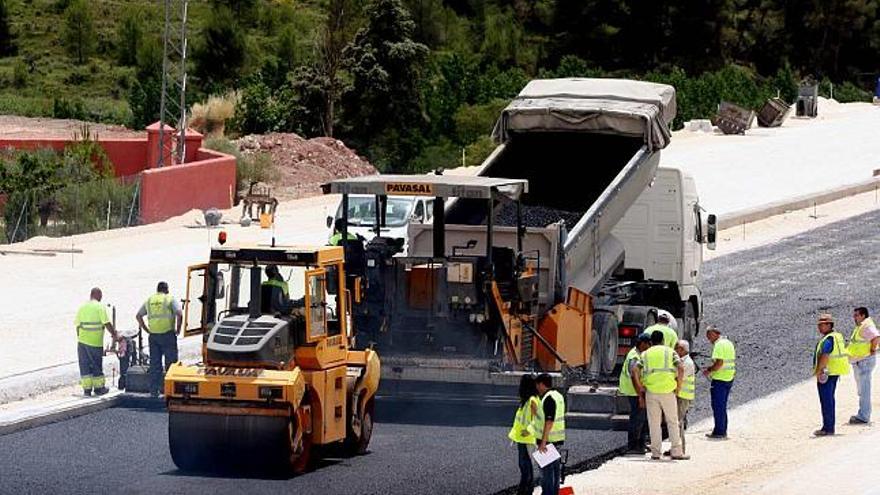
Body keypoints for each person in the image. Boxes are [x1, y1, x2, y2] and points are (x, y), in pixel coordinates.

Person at [638, 330, 688, 460]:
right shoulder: (670, 352)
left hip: (651, 392)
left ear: (651, 341)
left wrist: (641, 387)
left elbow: (635, 370)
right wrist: (678, 386)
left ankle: (655, 453)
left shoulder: (645, 354)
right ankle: (676, 451)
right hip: (667, 392)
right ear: (663, 340)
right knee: (672, 422)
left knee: (654, 423)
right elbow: (681, 368)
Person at [136, 281, 183, 398]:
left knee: (155, 364)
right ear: (166, 289)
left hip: (154, 336)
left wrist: (146, 329)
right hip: (168, 335)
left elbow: (138, 315)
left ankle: (154, 391)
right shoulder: (169, 299)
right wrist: (178, 329)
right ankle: (169, 391)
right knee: (171, 364)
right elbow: (179, 314)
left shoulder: (149, 300)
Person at [75, 288, 119, 397]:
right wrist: (115, 335)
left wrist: (80, 338)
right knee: (96, 365)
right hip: (95, 342)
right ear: (98, 295)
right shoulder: (100, 307)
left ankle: (87, 390)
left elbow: (77, 326)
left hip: (82, 342)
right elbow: (107, 323)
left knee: (84, 366)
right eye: (101, 296)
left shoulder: (82, 307)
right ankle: (99, 388)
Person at [814, 313, 851, 436]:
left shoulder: (828, 339)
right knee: (829, 400)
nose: (819, 327)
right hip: (834, 372)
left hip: (826, 373)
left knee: (826, 401)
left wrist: (819, 370)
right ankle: (829, 426)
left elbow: (825, 355)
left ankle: (828, 428)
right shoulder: (837, 336)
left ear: (829, 325)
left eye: (822, 325)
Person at [531, 373, 565, 495]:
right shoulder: (558, 396)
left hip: (548, 442)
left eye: (537, 385)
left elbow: (549, 421)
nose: (537, 388)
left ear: (541, 384)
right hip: (557, 439)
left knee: (547, 472)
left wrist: (543, 442)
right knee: (555, 471)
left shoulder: (548, 399)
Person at [846, 307, 879, 425]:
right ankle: (864, 413)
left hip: (865, 360)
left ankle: (863, 416)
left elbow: (876, 337)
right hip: (860, 361)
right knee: (862, 389)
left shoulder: (866, 326)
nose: (854, 317)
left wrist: (872, 349)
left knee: (864, 390)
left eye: (856, 315)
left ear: (863, 315)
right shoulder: (861, 326)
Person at [508, 375, 540, 495]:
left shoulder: (532, 400)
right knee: (523, 465)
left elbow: (538, 419)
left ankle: (525, 490)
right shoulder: (526, 401)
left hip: (528, 439)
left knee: (526, 466)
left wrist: (529, 430)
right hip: (521, 438)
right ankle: (525, 489)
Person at [620, 332, 651, 454]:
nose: (650, 346)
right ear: (642, 343)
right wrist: (640, 396)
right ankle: (633, 446)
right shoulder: (634, 357)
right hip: (634, 392)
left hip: (637, 391)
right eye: (648, 344)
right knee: (637, 419)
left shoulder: (639, 354)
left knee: (642, 419)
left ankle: (641, 444)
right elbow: (634, 376)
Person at [703, 325, 736, 439]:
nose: (709, 339)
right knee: (722, 406)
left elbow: (719, 363)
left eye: (709, 336)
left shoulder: (719, 345)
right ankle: (721, 429)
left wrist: (709, 370)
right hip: (728, 378)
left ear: (714, 333)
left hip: (720, 379)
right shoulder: (728, 343)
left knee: (718, 406)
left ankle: (719, 432)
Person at [675, 340, 696, 454]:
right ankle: (676, 447)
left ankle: (680, 449)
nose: (675, 350)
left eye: (676, 348)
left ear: (682, 350)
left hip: (683, 396)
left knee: (678, 422)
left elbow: (678, 377)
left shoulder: (686, 363)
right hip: (682, 395)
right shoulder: (684, 361)